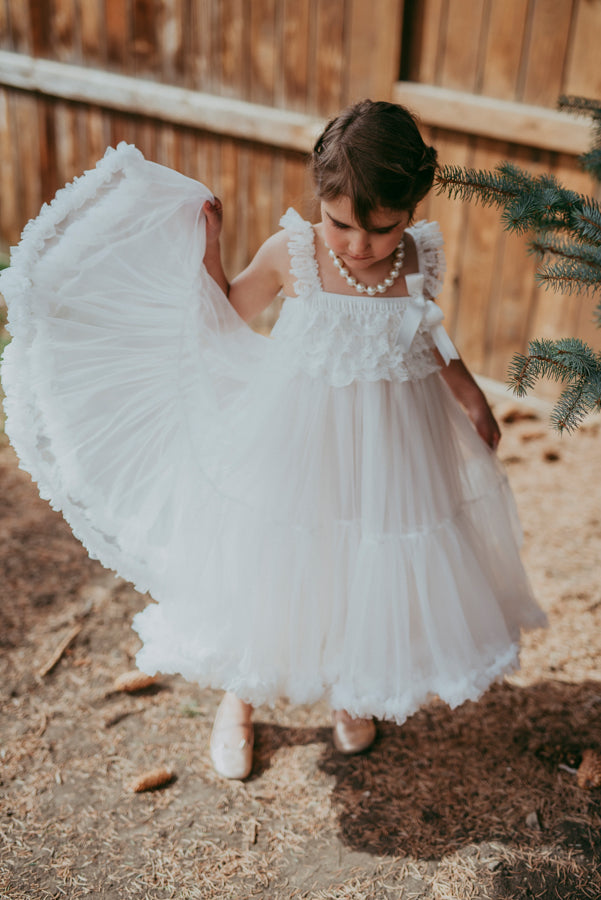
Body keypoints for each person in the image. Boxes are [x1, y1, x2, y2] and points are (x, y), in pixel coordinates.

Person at [0, 100, 546, 783]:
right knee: (278, 557)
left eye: (381, 229)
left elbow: (425, 328)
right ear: (320, 198)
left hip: (390, 441)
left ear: (410, 208)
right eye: (340, 222)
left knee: (363, 558)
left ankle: (354, 684)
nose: (357, 245)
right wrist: (210, 254)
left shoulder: (415, 256)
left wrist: (465, 389)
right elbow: (226, 314)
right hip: (298, 434)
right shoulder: (292, 253)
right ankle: (242, 695)